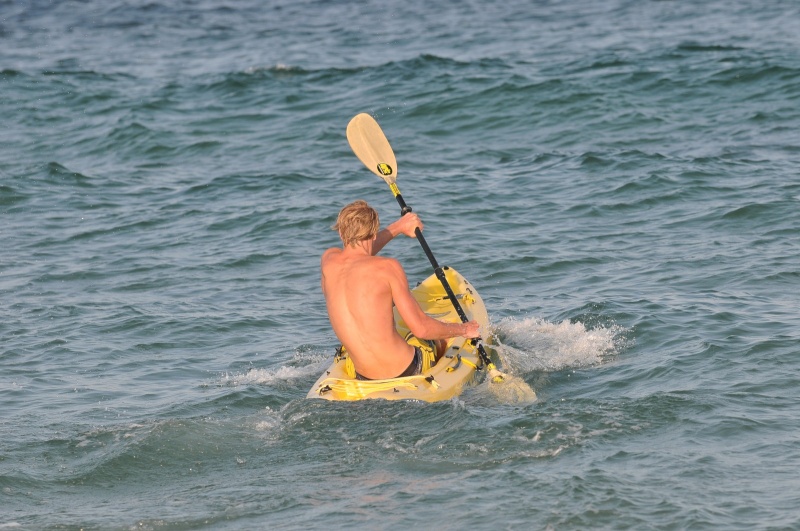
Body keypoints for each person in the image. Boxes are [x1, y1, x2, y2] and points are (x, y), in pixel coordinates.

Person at [321, 200, 481, 380]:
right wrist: (463, 329)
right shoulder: (388, 267)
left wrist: (399, 227)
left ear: (341, 232)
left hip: (363, 376)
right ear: (374, 233)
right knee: (439, 335)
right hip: (407, 369)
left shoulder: (328, 261)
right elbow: (422, 329)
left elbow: (358, 254)